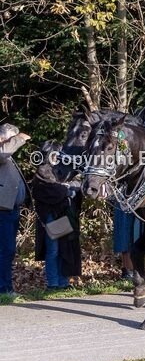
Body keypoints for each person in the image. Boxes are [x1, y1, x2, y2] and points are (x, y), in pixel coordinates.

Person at [31, 141, 82, 291]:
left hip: (62, 215)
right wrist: (67, 189)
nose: (58, 157)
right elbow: (53, 191)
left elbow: (77, 183)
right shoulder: (43, 171)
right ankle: (53, 283)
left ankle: (63, 282)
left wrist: (68, 187)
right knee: (53, 249)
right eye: (55, 154)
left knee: (63, 249)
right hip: (50, 215)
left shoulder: (61, 170)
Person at [0, 124, 29, 297]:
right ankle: (4, 289)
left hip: (11, 209)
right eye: (11, 138)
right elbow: (2, 153)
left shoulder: (7, 156)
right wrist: (18, 139)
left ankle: (5, 287)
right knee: (5, 250)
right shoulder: (3, 152)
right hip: (3, 210)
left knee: (8, 250)